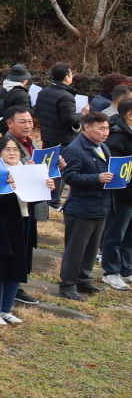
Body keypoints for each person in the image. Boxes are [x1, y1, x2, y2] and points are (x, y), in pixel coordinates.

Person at [0, 132, 37, 324]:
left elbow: (33, 199)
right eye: (7, 150)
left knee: (17, 265)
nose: (12, 153)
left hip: (23, 222)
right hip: (0, 225)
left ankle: (6, 308)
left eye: (15, 150)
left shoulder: (26, 170)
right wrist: (7, 186)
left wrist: (45, 185)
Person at [58, 110, 114, 301]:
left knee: (91, 249)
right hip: (81, 207)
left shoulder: (102, 147)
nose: (105, 133)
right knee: (76, 249)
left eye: (107, 129)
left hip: (100, 205)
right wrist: (97, 178)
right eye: (101, 129)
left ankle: (84, 279)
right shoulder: (75, 149)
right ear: (87, 127)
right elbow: (70, 177)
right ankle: (67, 285)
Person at [35, 62, 80, 208]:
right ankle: (54, 200)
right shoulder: (66, 96)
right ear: (67, 77)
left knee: (47, 166)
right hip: (63, 137)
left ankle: (46, 195)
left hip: (47, 134)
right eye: (71, 74)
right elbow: (69, 119)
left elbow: (38, 111)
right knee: (60, 168)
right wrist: (83, 114)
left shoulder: (43, 92)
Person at [100, 97, 132, 291]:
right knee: (115, 234)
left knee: (129, 235)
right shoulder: (118, 137)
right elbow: (116, 169)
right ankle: (111, 272)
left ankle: (126, 269)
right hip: (122, 196)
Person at [0, 65, 33, 133]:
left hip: (5, 123)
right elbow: (26, 112)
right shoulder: (20, 94)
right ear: (24, 79)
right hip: (17, 126)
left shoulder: (4, 88)